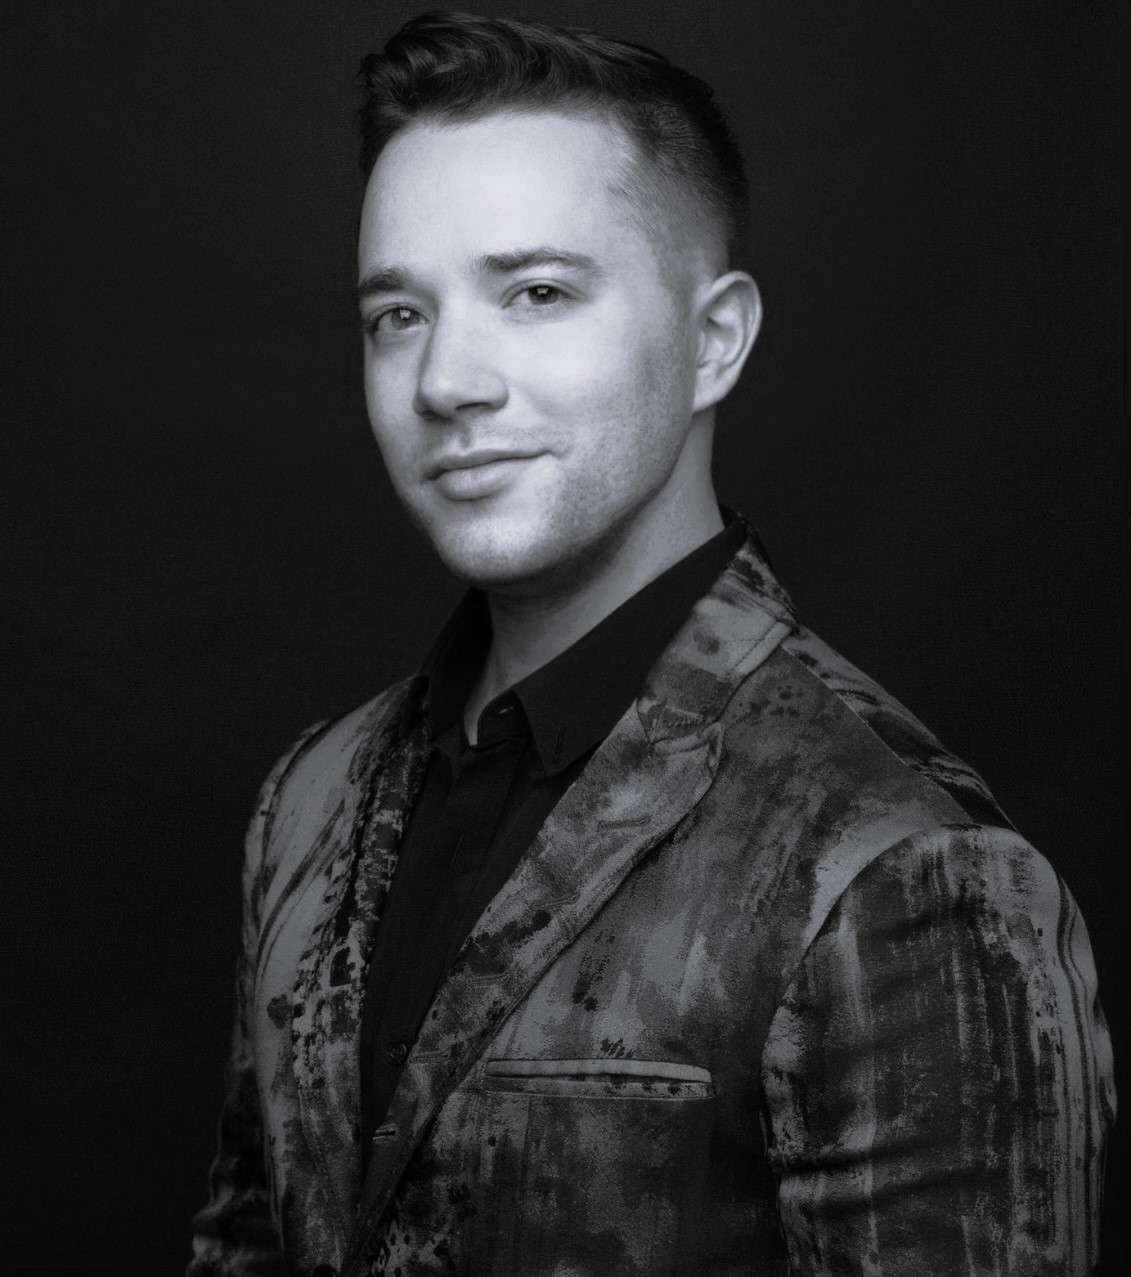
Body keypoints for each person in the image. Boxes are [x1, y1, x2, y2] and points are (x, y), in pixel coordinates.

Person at [189, 11, 1114, 1276]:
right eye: (398, 312)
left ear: (714, 339)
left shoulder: (905, 864)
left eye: (537, 292)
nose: (447, 379)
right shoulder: (307, 798)